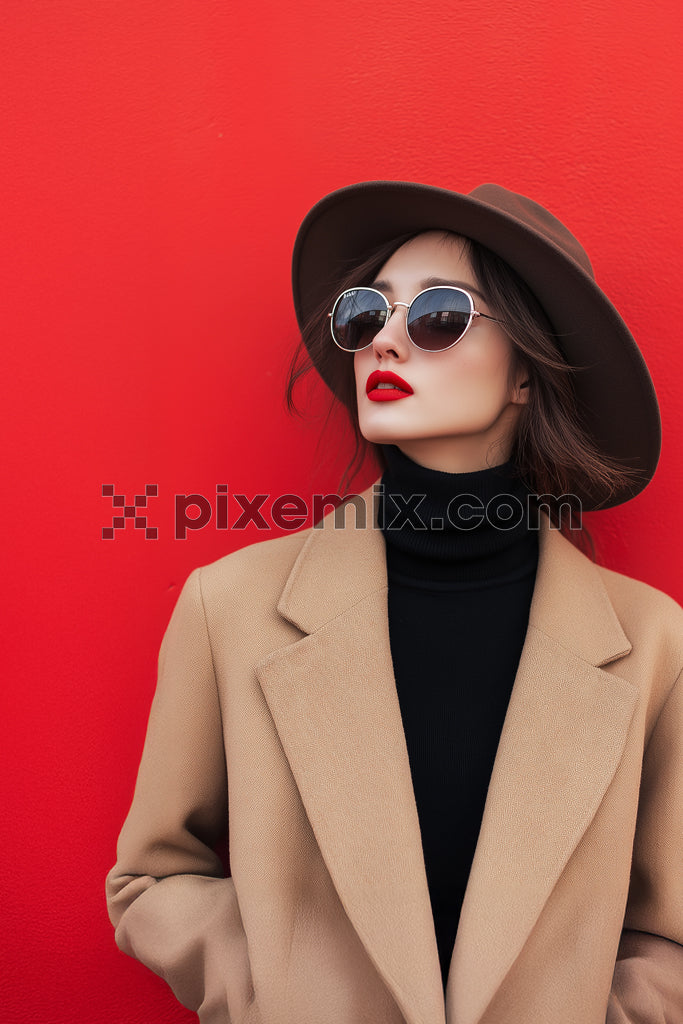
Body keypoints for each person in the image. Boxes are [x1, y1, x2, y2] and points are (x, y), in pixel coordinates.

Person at [106, 182, 683, 1024]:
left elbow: (670, 930)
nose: (384, 340)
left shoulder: (652, 640)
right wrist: (270, 990)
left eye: (440, 315)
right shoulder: (227, 608)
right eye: (365, 313)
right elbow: (152, 876)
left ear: (525, 373)